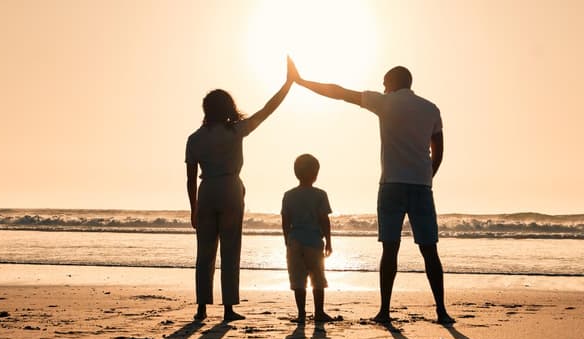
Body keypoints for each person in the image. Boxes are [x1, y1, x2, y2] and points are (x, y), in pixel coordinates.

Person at [293, 65, 454, 324]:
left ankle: (385, 311)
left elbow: (340, 93)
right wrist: (427, 176)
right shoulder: (431, 108)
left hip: (391, 185)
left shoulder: (385, 102)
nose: (382, 88)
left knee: (389, 250)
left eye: (384, 84)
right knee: (430, 251)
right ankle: (442, 310)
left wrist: (302, 82)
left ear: (391, 83)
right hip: (421, 187)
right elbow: (439, 151)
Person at [185, 57, 296, 322]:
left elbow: (190, 179)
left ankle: (201, 307)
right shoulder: (236, 131)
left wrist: (194, 208)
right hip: (231, 188)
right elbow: (266, 110)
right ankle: (227, 309)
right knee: (230, 249)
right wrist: (288, 84)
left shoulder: (195, 138)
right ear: (228, 108)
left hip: (207, 189)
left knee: (205, 253)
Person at [280, 153, 335, 323]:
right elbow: (324, 220)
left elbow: (285, 220)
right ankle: (319, 312)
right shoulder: (320, 195)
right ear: (315, 174)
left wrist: (287, 239)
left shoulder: (289, 195)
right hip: (313, 240)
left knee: (298, 278)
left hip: (295, 240)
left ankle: (301, 313)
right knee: (317, 277)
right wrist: (329, 241)